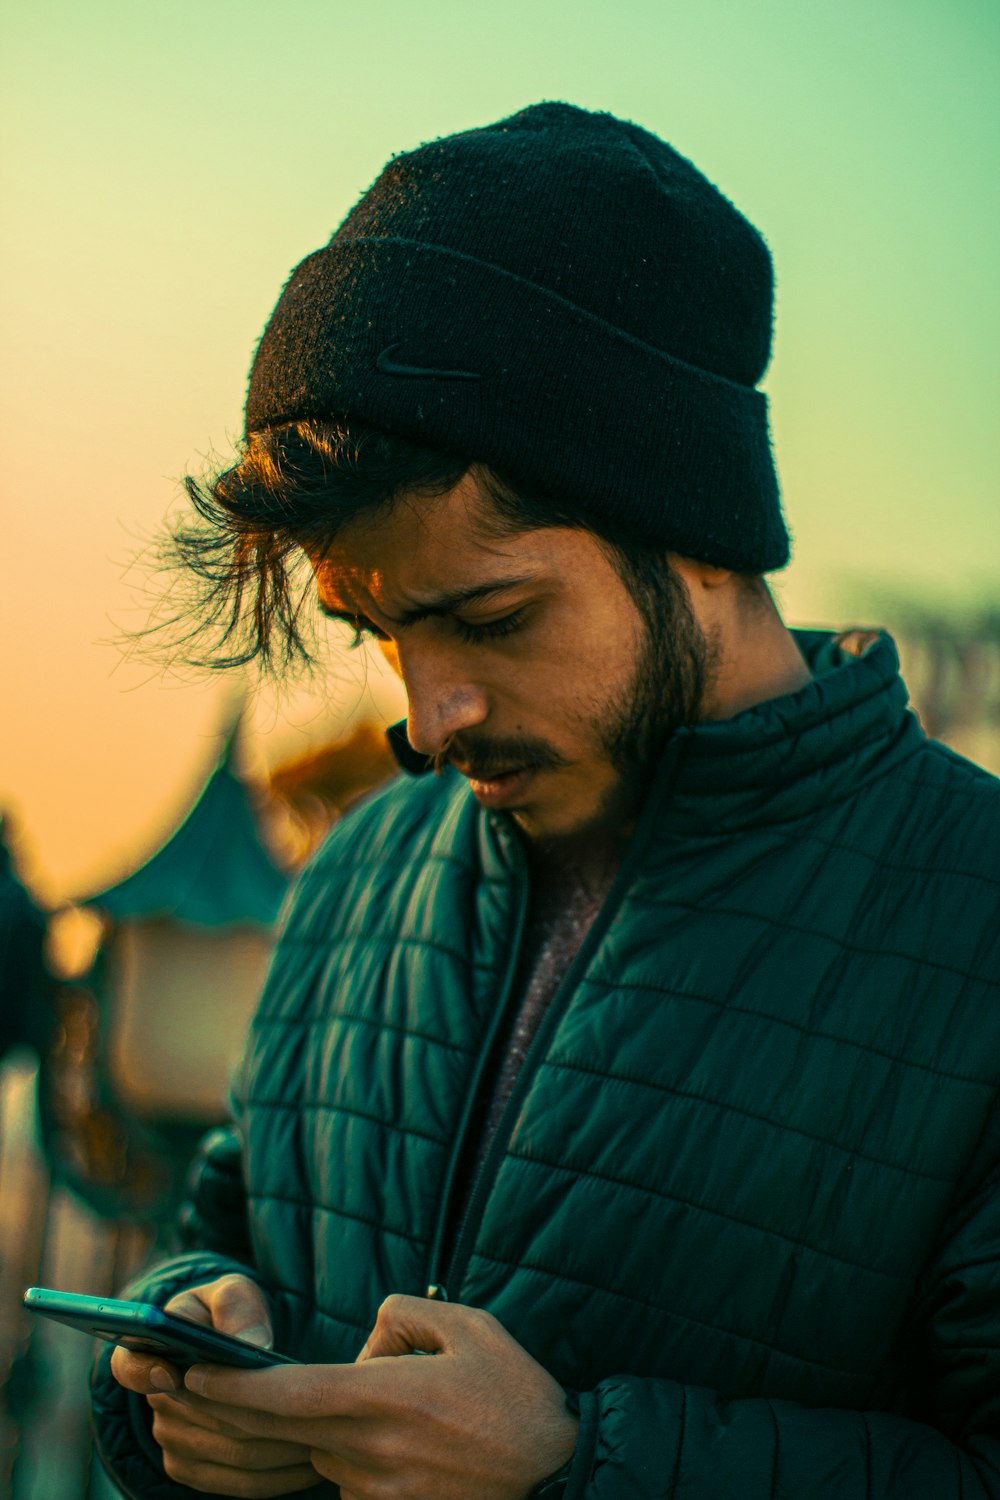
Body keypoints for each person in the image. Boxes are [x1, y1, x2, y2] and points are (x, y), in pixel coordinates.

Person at [92, 102, 1000, 1498]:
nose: (425, 713)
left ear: (694, 530)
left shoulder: (975, 910)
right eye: (380, 635)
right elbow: (234, 1218)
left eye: (495, 619)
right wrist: (191, 1356)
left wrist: (578, 1470)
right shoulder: (359, 870)